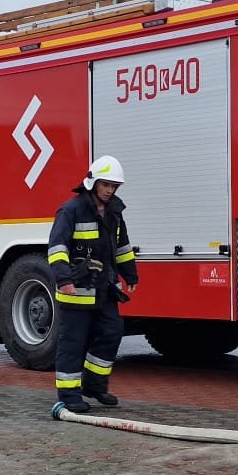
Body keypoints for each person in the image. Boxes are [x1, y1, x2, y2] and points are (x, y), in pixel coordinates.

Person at [46, 155, 139, 414]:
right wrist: (64, 280)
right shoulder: (71, 210)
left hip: (103, 288)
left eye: (114, 186)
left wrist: (130, 275)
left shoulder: (114, 212)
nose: (110, 190)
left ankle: (94, 385)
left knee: (112, 332)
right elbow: (57, 248)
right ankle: (69, 395)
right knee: (73, 343)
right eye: (106, 185)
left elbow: (121, 246)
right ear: (93, 182)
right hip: (76, 290)